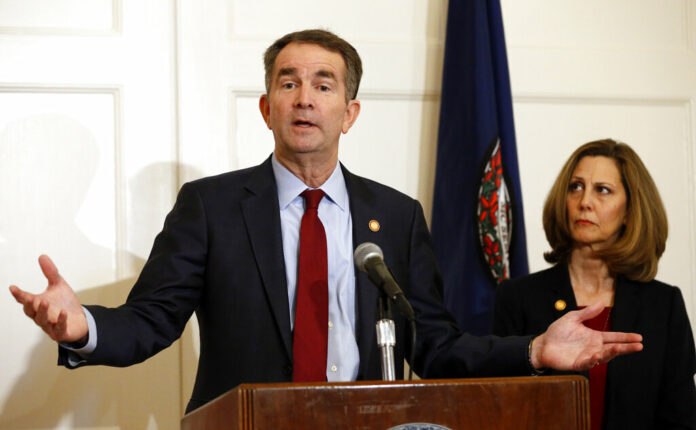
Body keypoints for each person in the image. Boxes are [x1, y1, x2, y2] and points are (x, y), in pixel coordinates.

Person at [10, 30, 642, 414]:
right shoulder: (212, 207)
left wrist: (533, 348)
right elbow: (150, 322)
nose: (304, 97)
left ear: (351, 111)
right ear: (266, 108)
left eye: (323, 84)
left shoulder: (394, 217)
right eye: (287, 83)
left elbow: (437, 345)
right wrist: (81, 326)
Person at [493, 139, 696, 429]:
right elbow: (502, 409)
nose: (584, 201)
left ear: (629, 211)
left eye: (603, 190)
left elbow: (680, 418)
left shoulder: (663, 305)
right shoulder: (518, 298)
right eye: (575, 187)